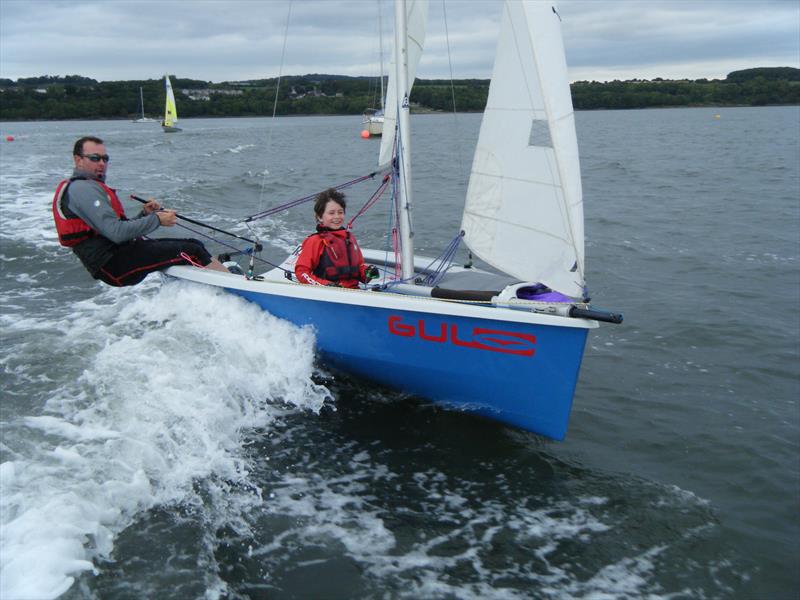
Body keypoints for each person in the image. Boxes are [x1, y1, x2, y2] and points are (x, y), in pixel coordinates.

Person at [53, 136, 229, 286]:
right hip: (112, 265)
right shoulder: (82, 190)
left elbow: (114, 229)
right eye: (94, 158)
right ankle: (235, 287)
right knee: (191, 250)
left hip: (119, 254)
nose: (101, 163)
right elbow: (116, 233)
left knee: (194, 244)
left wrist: (144, 215)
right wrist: (157, 220)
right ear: (78, 160)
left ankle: (222, 282)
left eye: (105, 159)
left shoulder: (88, 187)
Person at [294, 188, 379, 288]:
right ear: (320, 217)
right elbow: (302, 273)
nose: (337, 216)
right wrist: (326, 285)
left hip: (354, 292)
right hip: (329, 295)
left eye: (340, 212)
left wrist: (368, 272)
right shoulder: (315, 241)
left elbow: (359, 268)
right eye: (331, 213)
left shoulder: (350, 238)